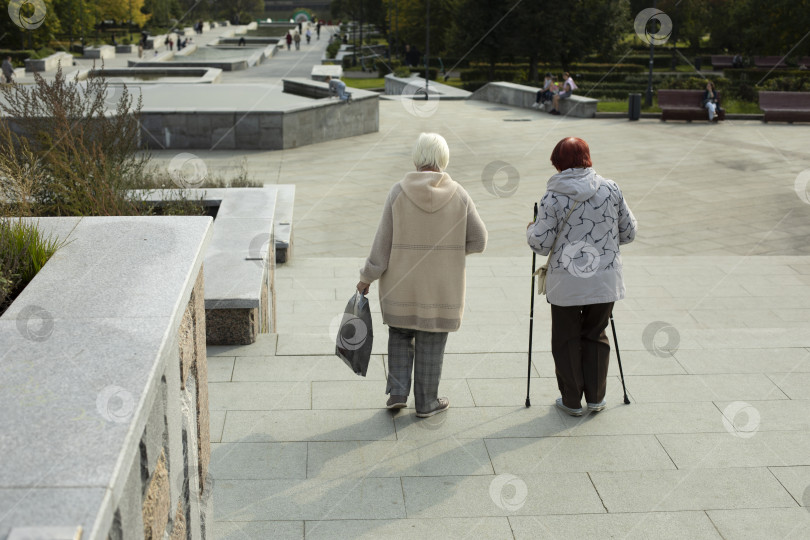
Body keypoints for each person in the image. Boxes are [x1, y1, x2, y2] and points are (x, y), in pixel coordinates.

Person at [357, 133, 487, 418]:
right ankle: (427, 403)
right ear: (443, 159)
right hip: (441, 290)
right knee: (432, 339)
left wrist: (366, 277)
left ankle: (398, 393)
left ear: (417, 158)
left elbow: (382, 245)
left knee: (400, 335)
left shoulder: (398, 191)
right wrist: (449, 251)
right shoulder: (460, 194)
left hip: (401, 287)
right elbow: (479, 240)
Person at [527, 137, 637, 417]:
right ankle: (597, 397)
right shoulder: (611, 189)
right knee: (596, 334)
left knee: (566, 338)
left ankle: (572, 401)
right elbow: (629, 232)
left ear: (558, 162)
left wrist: (531, 228)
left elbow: (540, 244)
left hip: (566, 282)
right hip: (604, 279)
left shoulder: (552, 196)